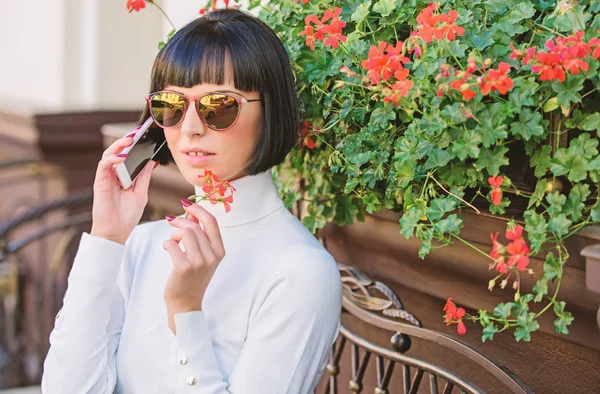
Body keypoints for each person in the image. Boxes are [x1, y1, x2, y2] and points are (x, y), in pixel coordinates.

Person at [41, 9, 342, 394]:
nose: (190, 127)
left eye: (219, 106)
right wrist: (106, 240)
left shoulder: (302, 273)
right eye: (172, 105)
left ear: (271, 112)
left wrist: (186, 312)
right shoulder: (140, 244)